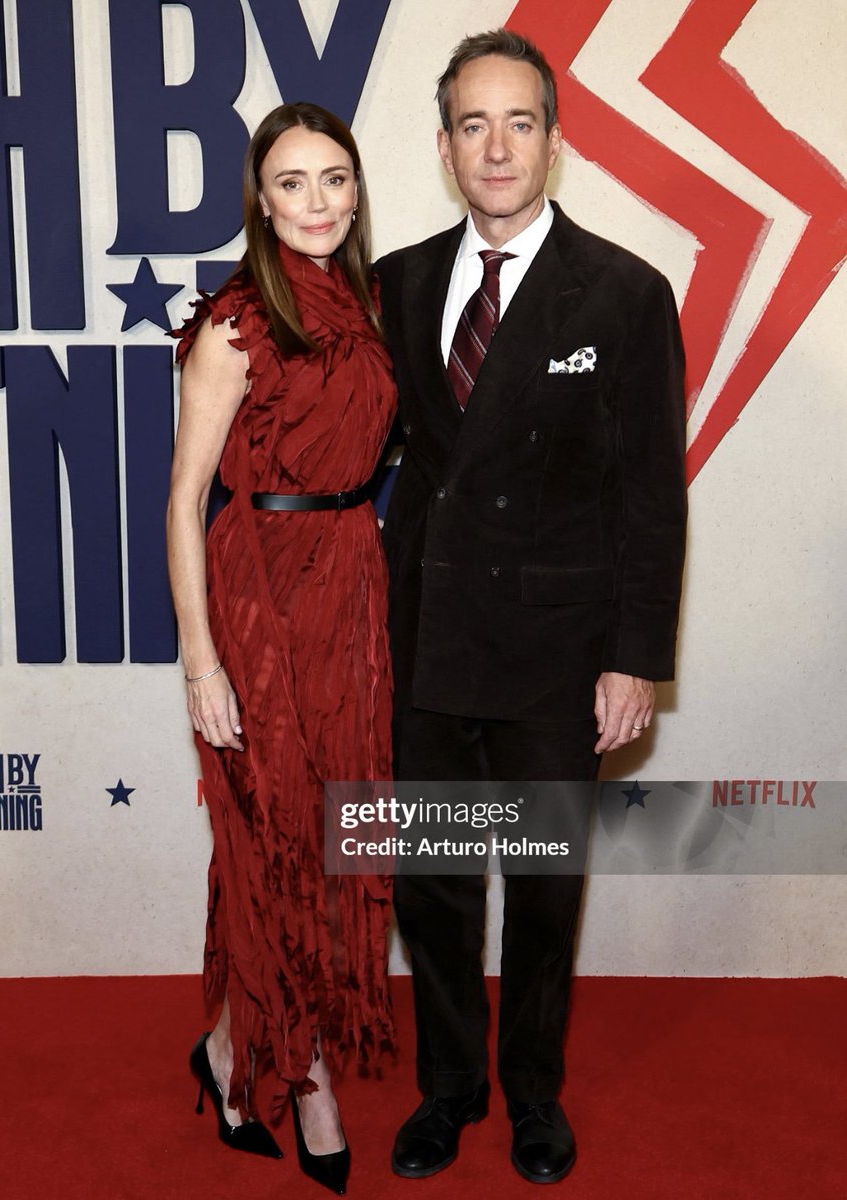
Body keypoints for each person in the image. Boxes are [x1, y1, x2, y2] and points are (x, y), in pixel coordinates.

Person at [375, 29, 687, 1185]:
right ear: (446, 146)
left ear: (556, 141)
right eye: (472, 124)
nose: (496, 147)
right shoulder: (397, 281)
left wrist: (635, 658)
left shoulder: (625, 291)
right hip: (427, 642)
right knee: (437, 882)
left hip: (559, 655)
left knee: (546, 890)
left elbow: (655, 497)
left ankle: (535, 1096)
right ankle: (448, 1089)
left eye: (519, 122)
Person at [166, 101, 397, 1196]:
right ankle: (304, 1079)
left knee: (326, 831)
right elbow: (181, 500)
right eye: (294, 182)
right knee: (276, 845)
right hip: (259, 587)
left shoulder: (368, 301)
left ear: (356, 191)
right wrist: (201, 660)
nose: (317, 202)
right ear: (261, 198)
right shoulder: (232, 321)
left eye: (335, 180)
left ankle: (222, 1050)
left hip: (349, 581)